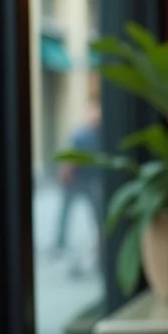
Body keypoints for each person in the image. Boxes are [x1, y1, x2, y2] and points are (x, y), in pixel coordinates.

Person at [53, 101, 102, 267]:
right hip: (76, 181)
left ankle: (99, 245)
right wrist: (65, 173)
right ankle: (60, 242)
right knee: (66, 213)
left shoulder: (96, 133)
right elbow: (70, 157)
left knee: (95, 215)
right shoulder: (82, 134)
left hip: (89, 181)